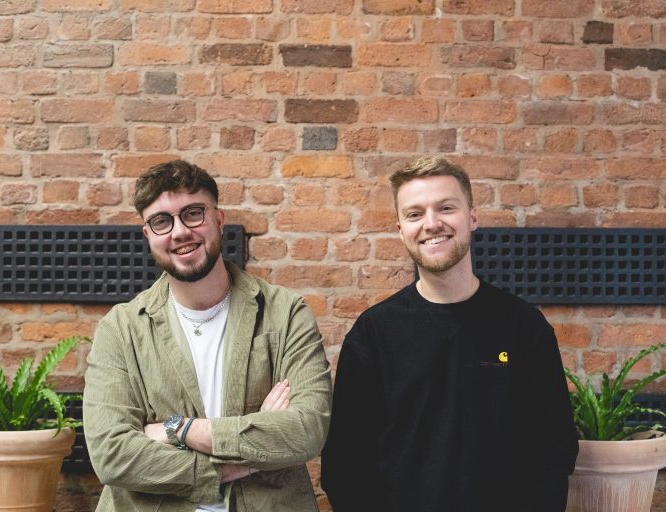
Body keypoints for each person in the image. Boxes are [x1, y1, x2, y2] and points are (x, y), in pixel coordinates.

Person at [321, 155, 579, 511]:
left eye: (446, 207)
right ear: (400, 229)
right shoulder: (373, 335)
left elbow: (553, 450)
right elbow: (344, 466)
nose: (431, 223)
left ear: (472, 217)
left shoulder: (524, 327)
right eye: (414, 214)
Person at [84, 160, 332, 512]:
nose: (180, 231)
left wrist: (178, 430)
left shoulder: (286, 312)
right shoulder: (121, 329)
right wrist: (240, 456)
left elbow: (307, 430)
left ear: (218, 219)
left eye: (193, 213)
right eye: (162, 221)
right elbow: (112, 455)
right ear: (149, 236)